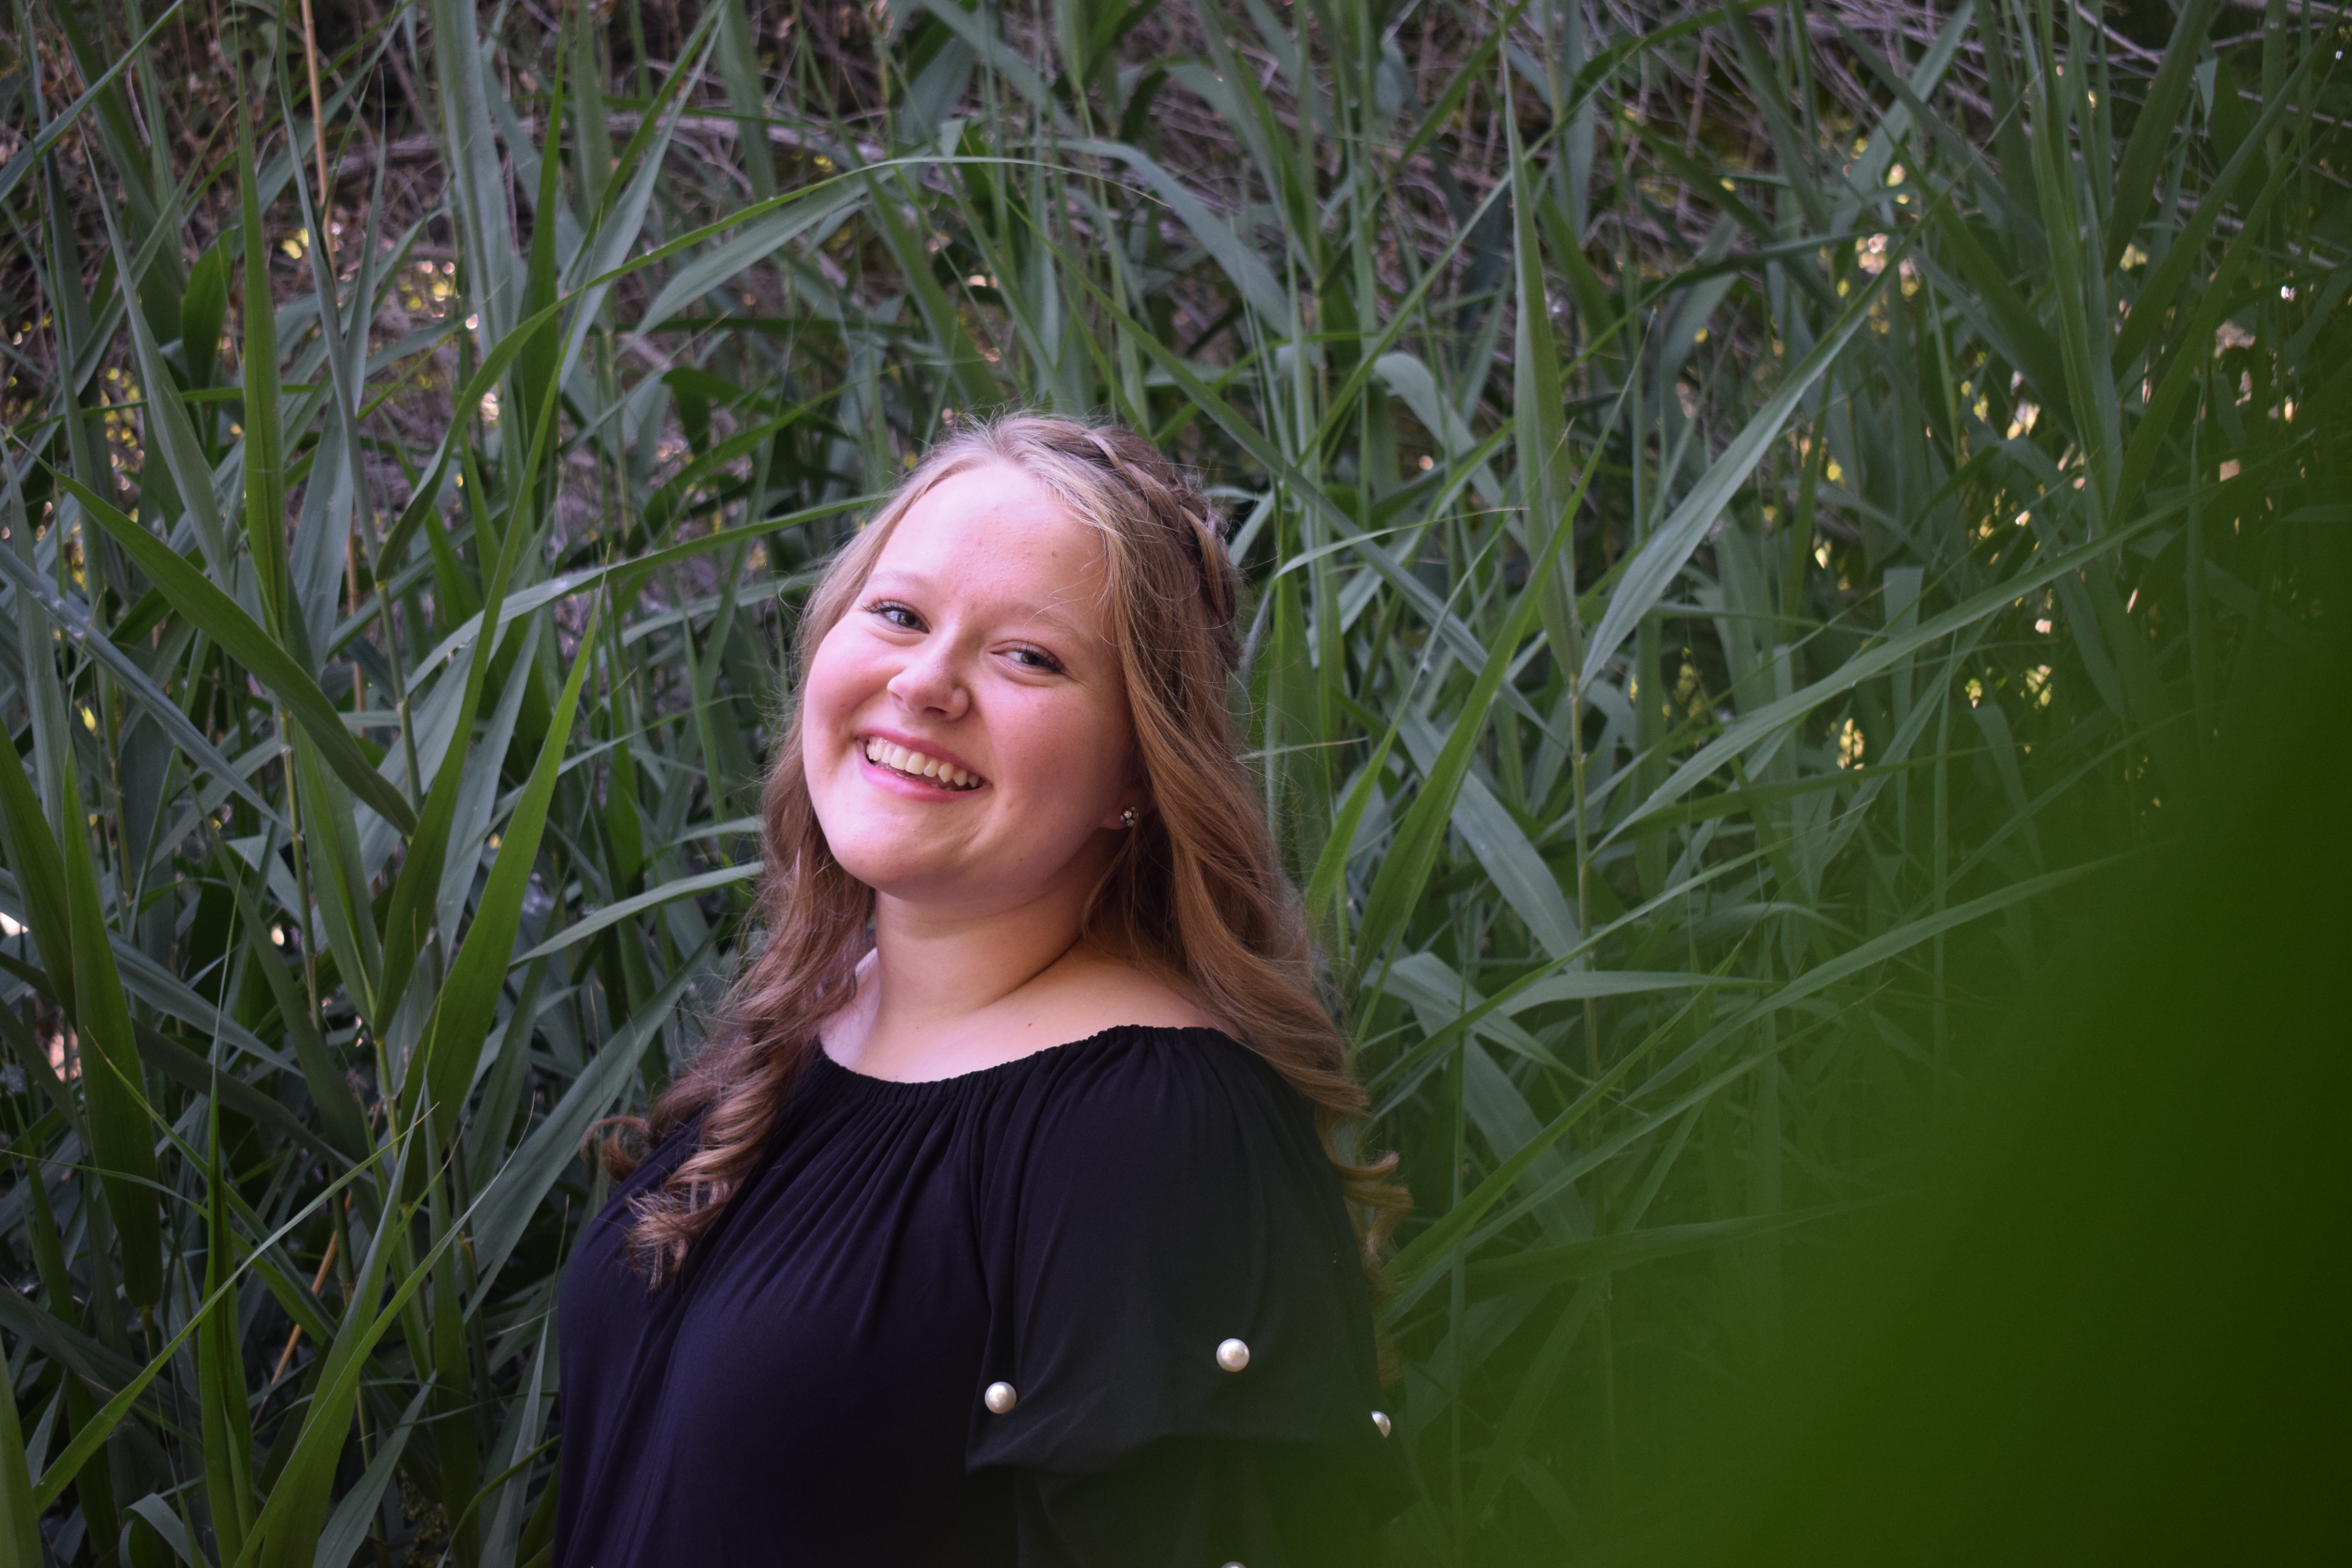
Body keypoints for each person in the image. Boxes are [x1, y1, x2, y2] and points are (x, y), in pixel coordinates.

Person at [554, 415, 1410, 1566]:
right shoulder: (819, 1025)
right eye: (900, 615)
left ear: (1138, 772)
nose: (926, 683)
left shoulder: (1153, 1135)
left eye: (1030, 658)